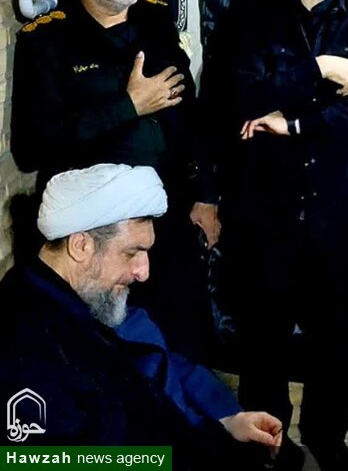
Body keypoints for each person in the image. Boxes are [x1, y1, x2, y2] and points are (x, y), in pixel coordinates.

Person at [203, 0, 348, 469]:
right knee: (263, 341)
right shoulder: (250, 18)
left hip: (341, 215)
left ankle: (328, 444)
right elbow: (236, 98)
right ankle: (268, 447)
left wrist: (294, 122)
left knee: (337, 342)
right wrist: (321, 70)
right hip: (266, 214)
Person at [10, 0, 219, 359]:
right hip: (94, 239)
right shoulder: (46, 41)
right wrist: (129, 106)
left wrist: (205, 196)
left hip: (166, 223)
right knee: (99, 356)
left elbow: (189, 122)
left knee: (182, 349)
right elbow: (31, 147)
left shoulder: (156, 24)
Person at [0, 164, 281, 470]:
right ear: (81, 246)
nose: (143, 272)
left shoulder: (78, 303)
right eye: (131, 253)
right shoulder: (25, 347)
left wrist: (223, 428)